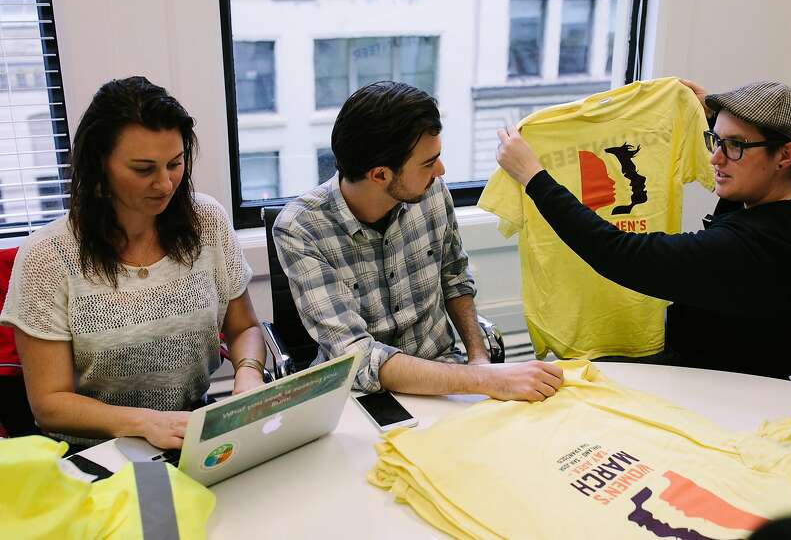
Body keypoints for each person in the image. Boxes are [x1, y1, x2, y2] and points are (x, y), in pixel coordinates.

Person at [495, 79, 791, 382]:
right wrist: (712, 117)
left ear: (785, 155)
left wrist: (535, 179)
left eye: (734, 146)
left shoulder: (750, 249)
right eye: (715, 140)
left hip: (731, 385)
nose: (715, 159)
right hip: (764, 358)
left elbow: (619, 254)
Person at [0, 76, 266, 450]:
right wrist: (145, 423)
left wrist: (249, 376)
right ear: (99, 168)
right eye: (144, 169)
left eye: (175, 163)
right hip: (94, 449)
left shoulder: (207, 220)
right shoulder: (48, 256)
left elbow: (244, 329)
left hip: (190, 428)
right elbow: (50, 404)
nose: (166, 184)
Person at [274, 81, 562, 401]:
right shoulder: (301, 228)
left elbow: (455, 277)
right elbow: (359, 357)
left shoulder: (430, 190)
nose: (440, 170)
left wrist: (478, 358)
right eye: (428, 163)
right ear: (380, 175)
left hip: (447, 376)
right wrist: (481, 378)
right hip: (362, 394)